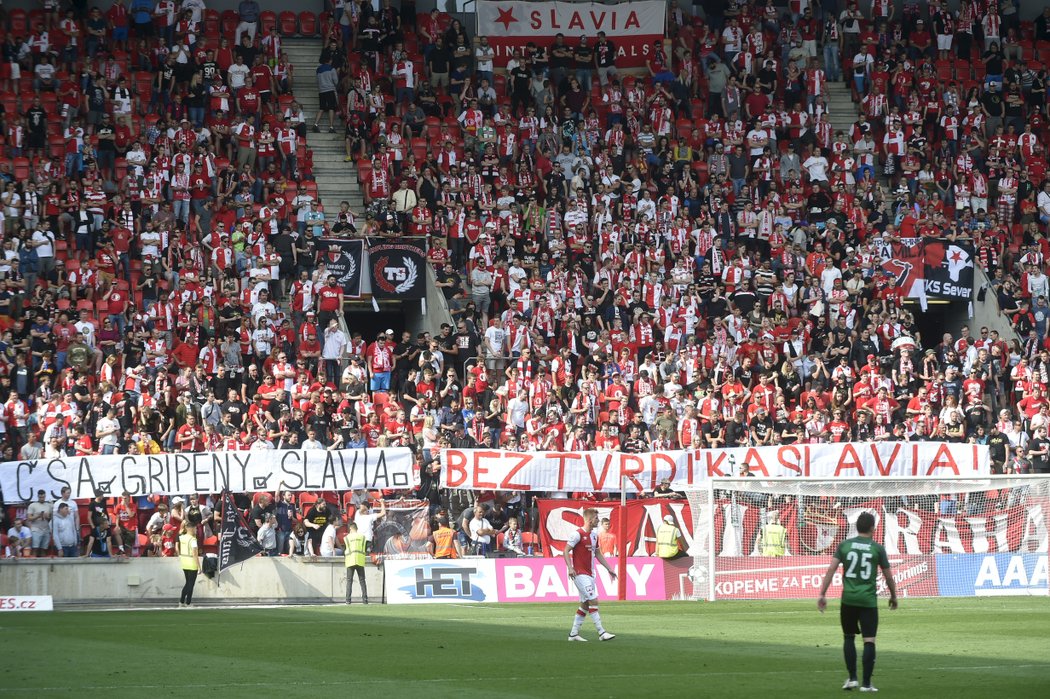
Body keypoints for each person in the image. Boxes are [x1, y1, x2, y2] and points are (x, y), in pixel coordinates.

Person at [817, 512, 899, 693]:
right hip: (868, 602)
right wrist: (893, 596)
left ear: (857, 527)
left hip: (848, 600)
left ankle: (852, 678)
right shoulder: (877, 548)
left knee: (848, 637)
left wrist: (822, 593)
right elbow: (888, 576)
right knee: (869, 640)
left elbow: (831, 569)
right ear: (872, 528)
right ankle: (867, 684)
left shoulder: (845, 545)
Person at [563, 507, 616, 642]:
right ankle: (601, 632)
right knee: (594, 600)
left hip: (590, 573)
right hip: (579, 574)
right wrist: (570, 568)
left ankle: (573, 634)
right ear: (590, 520)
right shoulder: (577, 534)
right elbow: (566, 551)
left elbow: (597, 553)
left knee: (585, 604)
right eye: (597, 519)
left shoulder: (594, 536)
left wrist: (609, 568)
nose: (598, 521)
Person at [343, 521, 368, 604]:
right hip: (360, 560)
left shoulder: (346, 538)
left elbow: (346, 549)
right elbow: (364, 549)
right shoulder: (363, 537)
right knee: (362, 581)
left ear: (350, 528)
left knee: (349, 581)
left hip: (350, 561)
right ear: (357, 528)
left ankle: (348, 600)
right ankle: (365, 599)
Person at [178, 519, 201, 607]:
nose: (196, 530)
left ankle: (182, 601)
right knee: (190, 584)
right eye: (195, 528)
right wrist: (199, 567)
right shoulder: (193, 540)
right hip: (191, 563)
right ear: (191, 529)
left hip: (184, 562)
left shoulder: (182, 537)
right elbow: (195, 554)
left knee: (187, 582)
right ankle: (188, 602)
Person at [26, 489, 52, 557]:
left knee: (44, 549)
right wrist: (38, 515)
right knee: (35, 549)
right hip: (36, 529)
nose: (42, 499)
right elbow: (29, 518)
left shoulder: (48, 505)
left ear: (45, 496)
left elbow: (51, 518)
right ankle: (33, 565)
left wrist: (47, 517)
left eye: (43, 497)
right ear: (38, 496)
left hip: (46, 528)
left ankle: (44, 566)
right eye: (40, 497)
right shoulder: (32, 505)